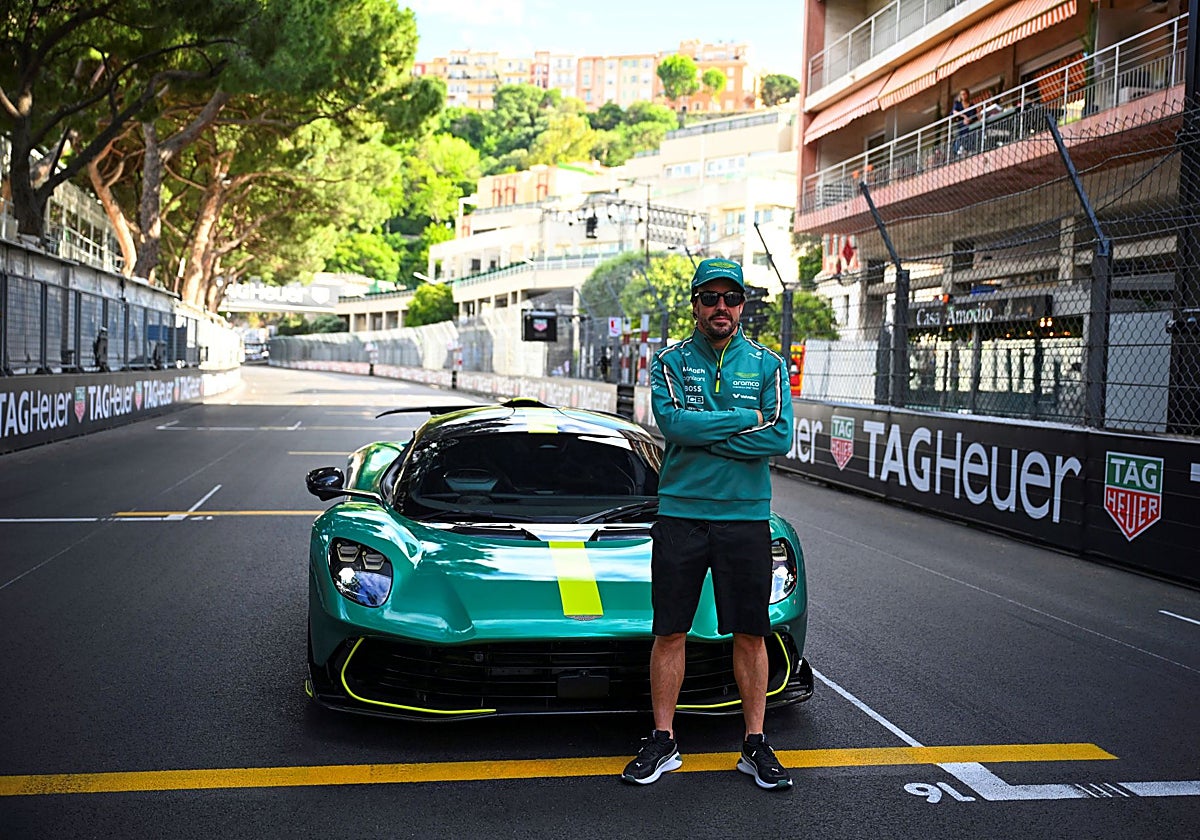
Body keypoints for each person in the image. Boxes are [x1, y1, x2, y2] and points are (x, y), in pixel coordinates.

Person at [621, 258, 796, 791]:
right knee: (670, 630)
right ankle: (664, 740)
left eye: (732, 298)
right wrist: (744, 420)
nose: (722, 307)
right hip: (681, 514)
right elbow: (673, 424)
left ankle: (755, 743)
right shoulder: (669, 361)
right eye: (711, 298)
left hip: (745, 516)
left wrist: (705, 435)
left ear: (743, 305)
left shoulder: (769, 365)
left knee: (751, 632)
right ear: (695, 304)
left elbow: (779, 436)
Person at [952, 88, 977, 155]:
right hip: (959, 124)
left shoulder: (971, 105)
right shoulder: (958, 104)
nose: (963, 96)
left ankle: (966, 148)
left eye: (964, 94)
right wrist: (964, 116)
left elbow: (974, 116)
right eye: (961, 94)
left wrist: (969, 120)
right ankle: (959, 148)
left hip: (969, 124)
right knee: (960, 132)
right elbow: (954, 112)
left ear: (967, 95)